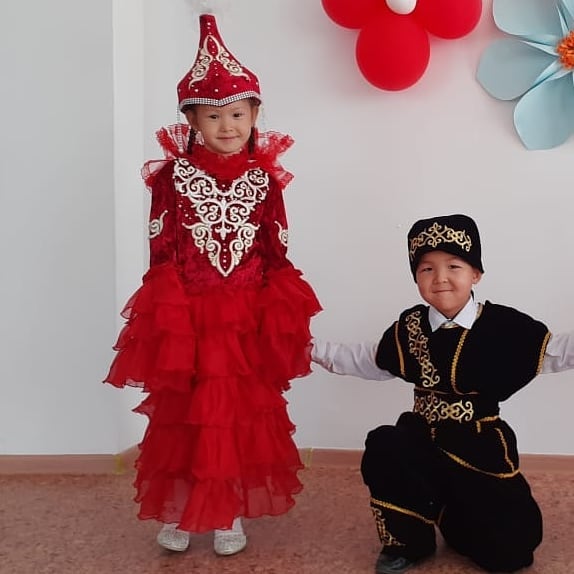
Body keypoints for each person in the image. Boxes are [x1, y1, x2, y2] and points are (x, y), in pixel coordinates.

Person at [104, 10, 321, 557]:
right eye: (214, 116)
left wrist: (277, 310)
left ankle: (227, 513)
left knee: (237, 417)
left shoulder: (265, 179)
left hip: (244, 317)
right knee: (186, 416)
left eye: (238, 114)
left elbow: (275, 248)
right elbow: (162, 248)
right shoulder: (172, 178)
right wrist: (170, 312)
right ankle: (181, 509)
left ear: (255, 116)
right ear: (192, 121)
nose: (228, 126)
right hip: (190, 316)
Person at [311, 213, 574, 574]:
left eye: (454, 266)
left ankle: (451, 515)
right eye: (427, 269)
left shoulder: (503, 326)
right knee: (386, 444)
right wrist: (308, 349)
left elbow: (555, 353)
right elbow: (369, 360)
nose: (440, 278)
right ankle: (408, 541)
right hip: (423, 440)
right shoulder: (410, 327)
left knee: (510, 555)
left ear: (475, 274)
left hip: (479, 447)